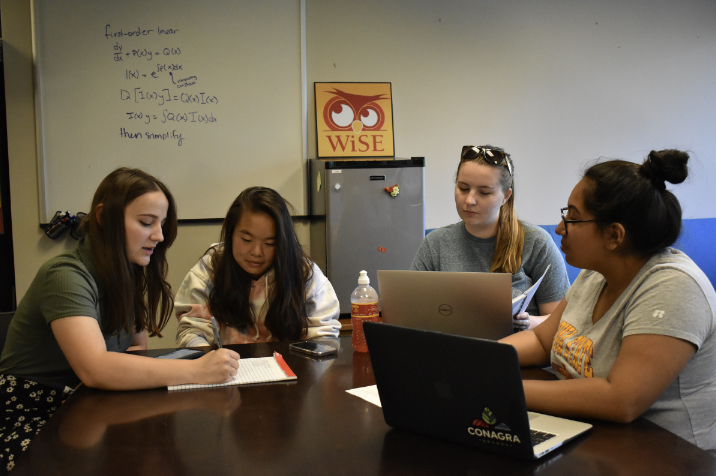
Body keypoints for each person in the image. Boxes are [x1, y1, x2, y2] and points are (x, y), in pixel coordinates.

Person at [0, 168, 240, 474]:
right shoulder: (63, 275)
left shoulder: (126, 272)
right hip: (36, 417)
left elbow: (135, 352)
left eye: (162, 224)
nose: (159, 236)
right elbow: (96, 368)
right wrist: (196, 370)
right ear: (104, 217)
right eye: (145, 222)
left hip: (88, 409)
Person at [501, 149, 716, 453]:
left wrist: (501, 387)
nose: (560, 228)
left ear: (614, 236)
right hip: (596, 437)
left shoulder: (674, 286)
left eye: (572, 218)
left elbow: (620, 399)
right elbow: (541, 341)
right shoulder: (595, 275)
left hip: (668, 454)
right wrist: (480, 359)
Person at [411, 145, 570, 330]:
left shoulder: (537, 242)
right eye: (463, 188)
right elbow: (412, 311)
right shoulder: (435, 243)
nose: (469, 200)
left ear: (506, 196)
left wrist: (528, 322)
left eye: (484, 192)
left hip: (517, 352)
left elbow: (561, 320)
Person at [175, 186, 340, 347]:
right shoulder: (210, 269)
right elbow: (192, 331)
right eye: (246, 240)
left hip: (293, 369)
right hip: (226, 371)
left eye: (270, 243)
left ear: (283, 243)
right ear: (230, 233)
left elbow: (324, 337)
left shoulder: (305, 274)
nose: (256, 252)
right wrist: (208, 360)